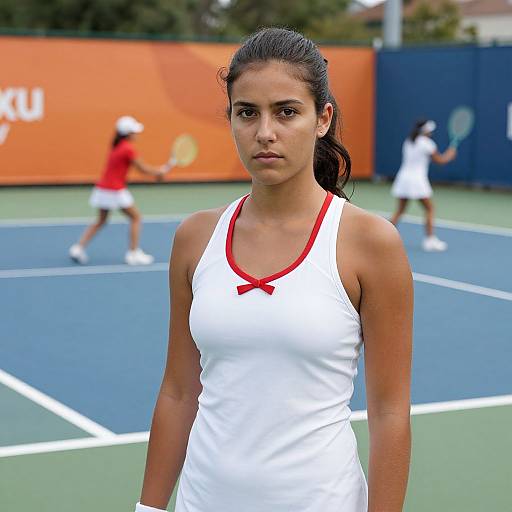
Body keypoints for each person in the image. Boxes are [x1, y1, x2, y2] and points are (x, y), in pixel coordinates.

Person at [136, 28, 413, 512]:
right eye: (247, 113)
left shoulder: (370, 244)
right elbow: (179, 392)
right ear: (230, 120)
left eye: (286, 111)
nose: (265, 132)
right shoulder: (194, 239)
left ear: (322, 118)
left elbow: (389, 412)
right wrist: (149, 508)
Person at [69, 115, 171, 265]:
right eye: (134, 131)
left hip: (103, 189)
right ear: (128, 133)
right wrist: (158, 172)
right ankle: (133, 253)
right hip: (114, 190)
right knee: (136, 218)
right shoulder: (128, 149)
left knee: (101, 220)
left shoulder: (117, 146)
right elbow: (142, 168)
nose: (137, 134)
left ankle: (78, 248)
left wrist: (157, 172)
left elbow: (141, 169)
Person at [390, 119, 457, 252]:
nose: (431, 133)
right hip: (416, 181)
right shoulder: (427, 144)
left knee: (400, 211)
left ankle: (380, 237)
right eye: (430, 131)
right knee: (430, 209)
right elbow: (440, 160)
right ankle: (430, 240)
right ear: (426, 131)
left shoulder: (409, 141)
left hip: (403, 179)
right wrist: (450, 154)